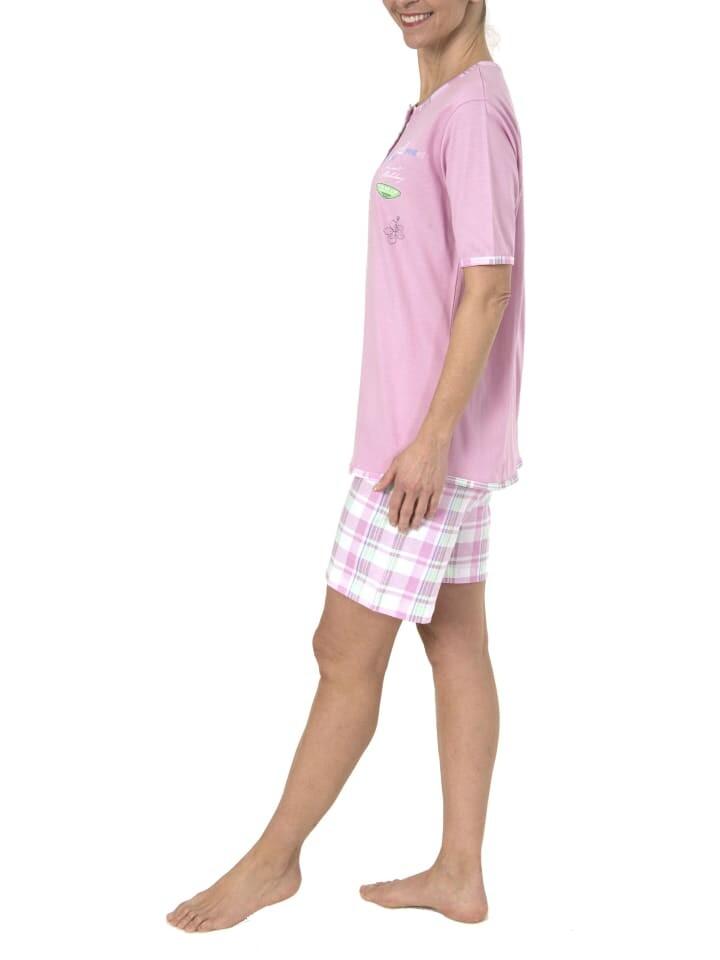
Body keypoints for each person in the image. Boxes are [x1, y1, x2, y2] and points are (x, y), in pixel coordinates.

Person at [167, 0, 524, 931]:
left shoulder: (471, 113)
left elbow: (489, 286)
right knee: (455, 642)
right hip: (433, 442)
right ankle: (459, 874)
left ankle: (271, 863)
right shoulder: (445, 102)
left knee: (342, 654)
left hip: (419, 452)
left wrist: (430, 439)